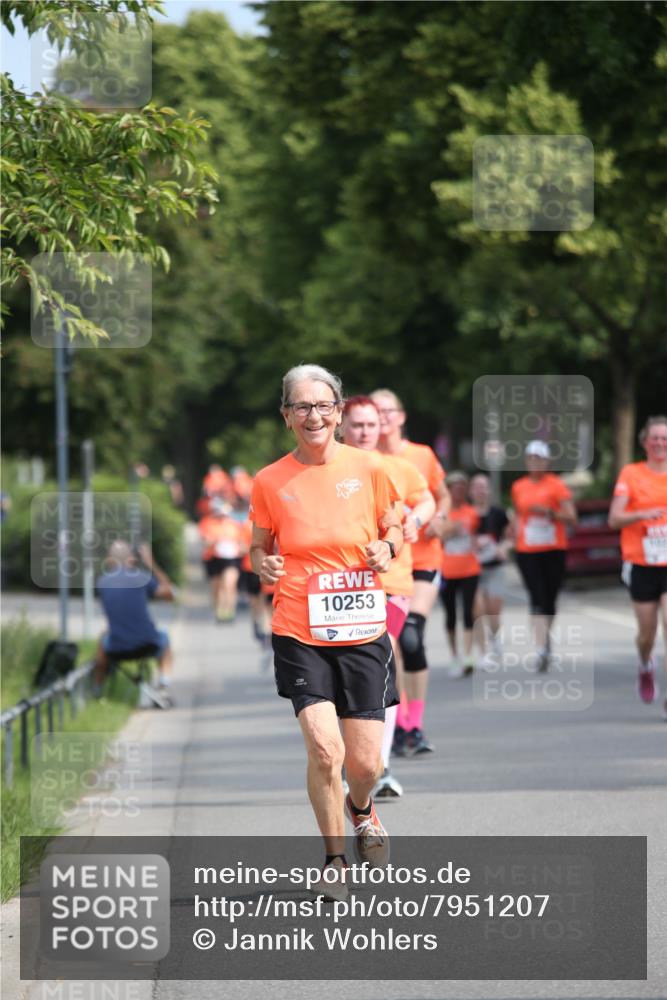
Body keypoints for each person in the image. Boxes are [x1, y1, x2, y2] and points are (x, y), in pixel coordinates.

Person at [249, 364, 403, 900]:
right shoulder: (269, 480)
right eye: (301, 406)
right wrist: (263, 564)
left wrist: (387, 546)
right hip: (299, 628)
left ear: (338, 412)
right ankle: (334, 860)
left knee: (366, 763)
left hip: (361, 627)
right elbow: (259, 545)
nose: (313, 415)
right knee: (324, 750)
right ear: (286, 416)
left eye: (322, 405)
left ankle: (362, 808)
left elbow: (395, 523)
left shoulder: (370, 467)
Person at [342, 395, 435, 793]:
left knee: (385, 659)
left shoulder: (398, 467)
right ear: (342, 426)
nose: (367, 431)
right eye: (359, 425)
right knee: (348, 673)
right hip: (343, 584)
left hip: (392, 581)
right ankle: (351, 761)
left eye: (373, 424)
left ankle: (380, 765)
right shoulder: (329, 469)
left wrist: (416, 519)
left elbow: (427, 498)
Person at [371, 389, 450, 755]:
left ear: (401, 417)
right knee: (392, 647)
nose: (383, 417)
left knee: (412, 638)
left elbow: (441, 496)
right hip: (388, 565)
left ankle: (413, 725)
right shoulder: (363, 460)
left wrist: (438, 518)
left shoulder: (421, 455)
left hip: (423, 559)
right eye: (376, 412)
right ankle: (398, 723)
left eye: (389, 411)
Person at [608, 415, 667, 715]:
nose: (660, 443)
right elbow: (614, 518)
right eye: (655, 437)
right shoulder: (631, 474)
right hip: (641, 562)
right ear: (645, 442)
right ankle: (645, 664)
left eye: (665, 438)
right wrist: (641, 515)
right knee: (647, 635)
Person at [510, 440, 577, 671]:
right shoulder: (519, 486)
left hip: (553, 549)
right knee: (536, 597)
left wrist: (549, 512)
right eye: (531, 458)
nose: (535, 463)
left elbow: (572, 517)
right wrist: (513, 536)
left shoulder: (557, 485)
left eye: (539, 459)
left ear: (547, 462)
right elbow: (518, 515)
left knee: (550, 599)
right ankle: (541, 648)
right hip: (527, 551)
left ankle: (546, 639)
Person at [94, 540, 175, 702]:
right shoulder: (141, 577)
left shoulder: (102, 582)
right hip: (148, 643)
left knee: (103, 640)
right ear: (131, 560)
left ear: (109, 561)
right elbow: (169, 594)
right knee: (165, 638)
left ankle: (97, 689)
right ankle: (164, 684)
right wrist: (151, 564)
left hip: (116, 646)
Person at [438, 472, 481, 677]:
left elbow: (476, 537)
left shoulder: (471, 512)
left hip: (470, 569)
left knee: (468, 612)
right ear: (448, 490)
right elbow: (436, 537)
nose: (459, 492)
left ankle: (468, 655)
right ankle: (455, 655)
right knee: (451, 614)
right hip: (446, 570)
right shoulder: (441, 513)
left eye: (463, 489)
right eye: (455, 489)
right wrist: (450, 531)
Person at [469, 473, 512, 667]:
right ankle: (483, 652)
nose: (481, 491)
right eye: (477, 487)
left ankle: (495, 638)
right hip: (472, 570)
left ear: (489, 491)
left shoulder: (499, 513)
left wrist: (504, 548)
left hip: (495, 567)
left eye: (484, 487)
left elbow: (512, 536)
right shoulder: (466, 513)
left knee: (493, 611)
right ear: (471, 491)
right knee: (478, 610)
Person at [198, 498, 245, 622]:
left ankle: (229, 610)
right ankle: (219, 609)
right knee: (217, 586)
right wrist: (215, 541)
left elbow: (242, 544)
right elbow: (205, 542)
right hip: (213, 558)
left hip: (231, 559)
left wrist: (240, 548)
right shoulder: (207, 522)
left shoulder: (234, 525)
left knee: (230, 583)